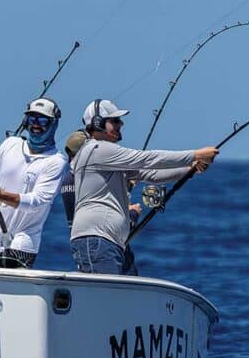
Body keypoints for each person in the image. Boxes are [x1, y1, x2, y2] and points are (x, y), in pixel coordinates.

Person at [70, 99, 219, 275]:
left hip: (108, 241)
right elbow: (148, 159)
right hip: (97, 240)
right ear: (98, 123)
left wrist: (190, 169)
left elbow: (150, 174)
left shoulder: (107, 157)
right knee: (106, 299)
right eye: (115, 121)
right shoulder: (98, 150)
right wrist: (195, 154)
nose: (121, 124)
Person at [0, 98, 68, 269]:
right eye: (32, 119)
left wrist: (1, 195)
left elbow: (36, 202)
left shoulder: (56, 161)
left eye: (43, 120)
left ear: (53, 124)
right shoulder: (10, 144)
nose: (36, 125)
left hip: (21, 244)